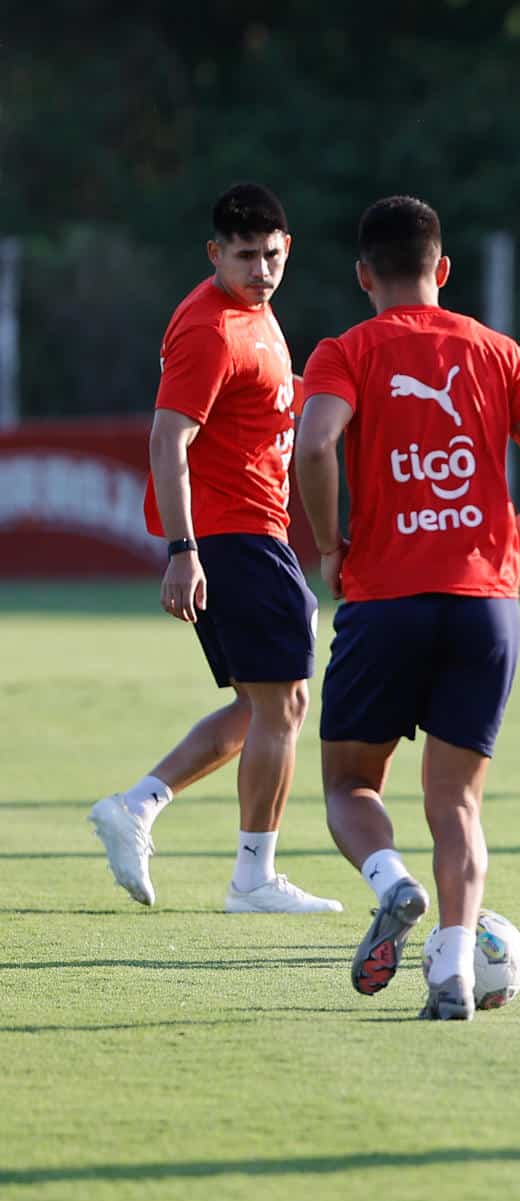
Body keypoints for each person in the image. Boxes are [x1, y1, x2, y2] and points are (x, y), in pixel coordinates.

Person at [294, 196, 520, 1020]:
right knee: (455, 801)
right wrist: (516, 539)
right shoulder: (497, 350)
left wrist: (328, 545)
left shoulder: (345, 351)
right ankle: (452, 972)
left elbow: (315, 443)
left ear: (362, 276)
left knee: (351, 783)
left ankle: (391, 881)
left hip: (387, 598)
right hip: (484, 603)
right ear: (443, 270)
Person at [89, 182, 342, 915]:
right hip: (230, 533)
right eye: (243, 257)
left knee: (263, 706)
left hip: (253, 528)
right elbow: (169, 438)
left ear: (286, 248)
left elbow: (264, 397)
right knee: (285, 703)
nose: (260, 269)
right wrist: (183, 549)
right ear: (214, 253)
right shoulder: (208, 326)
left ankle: (136, 805)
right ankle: (253, 880)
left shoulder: (257, 314)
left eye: (270, 255)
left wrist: (332, 398)